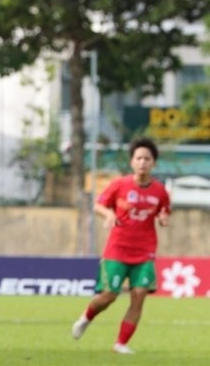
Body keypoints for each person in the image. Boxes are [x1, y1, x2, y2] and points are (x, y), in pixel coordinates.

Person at [71, 137, 170, 353]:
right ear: (132, 162)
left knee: (139, 295)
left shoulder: (160, 191)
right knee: (109, 296)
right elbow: (98, 205)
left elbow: (164, 211)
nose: (142, 162)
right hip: (117, 250)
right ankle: (86, 318)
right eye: (139, 158)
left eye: (147, 158)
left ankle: (121, 344)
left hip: (145, 252)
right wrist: (108, 214)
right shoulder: (120, 185)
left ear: (154, 163)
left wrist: (163, 219)